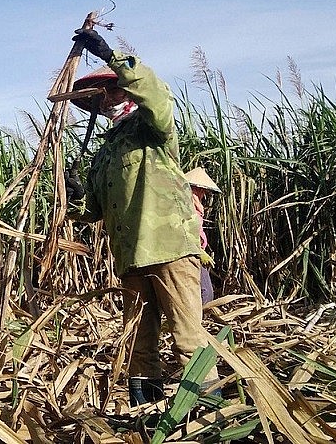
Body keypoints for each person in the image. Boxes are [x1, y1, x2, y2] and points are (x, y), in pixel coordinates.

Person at [64, 28, 219, 407]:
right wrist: (72, 197)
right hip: (131, 259)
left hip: (169, 250)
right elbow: (94, 213)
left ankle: (213, 416)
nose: (108, 102)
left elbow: (155, 92)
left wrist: (107, 53)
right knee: (138, 343)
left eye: (114, 91)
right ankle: (147, 414)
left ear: (128, 94)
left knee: (187, 338)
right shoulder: (104, 154)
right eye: (101, 100)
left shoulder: (153, 130)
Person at [184, 167, 222, 305]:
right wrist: (199, 251)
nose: (203, 192)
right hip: (190, 254)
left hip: (196, 253)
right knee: (205, 292)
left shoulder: (196, 208)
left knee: (201, 292)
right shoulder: (185, 207)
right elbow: (183, 232)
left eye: (203, 189)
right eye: (198, 188)